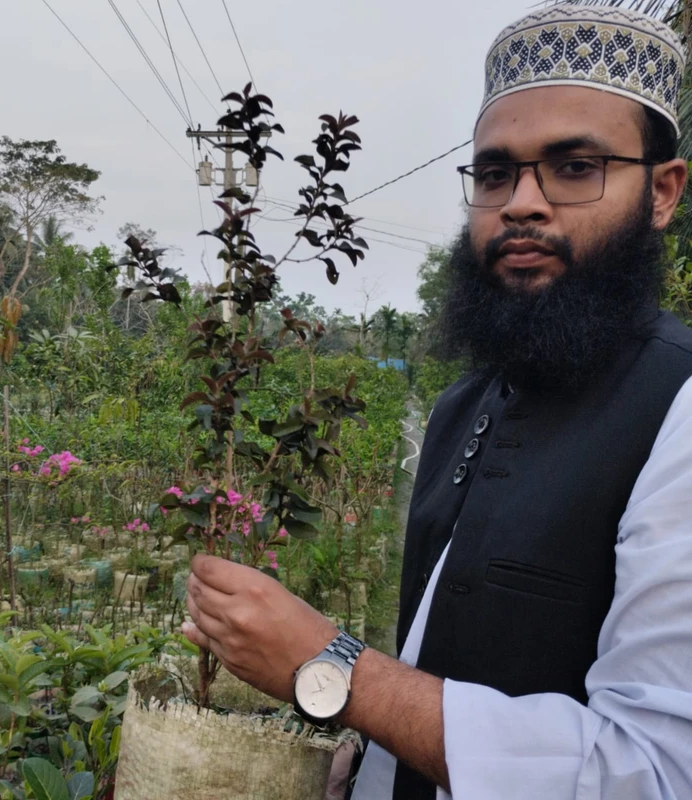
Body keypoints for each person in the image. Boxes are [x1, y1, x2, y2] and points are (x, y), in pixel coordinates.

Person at [181, 4, 692, 797]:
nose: (522, 201)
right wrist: (369, 758)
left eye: (574, 167)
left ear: (662, 192)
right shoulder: (464, 405)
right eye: (495, 173)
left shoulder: (680, 409)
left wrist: (330, 665)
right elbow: (433, 665)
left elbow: (653, 771)